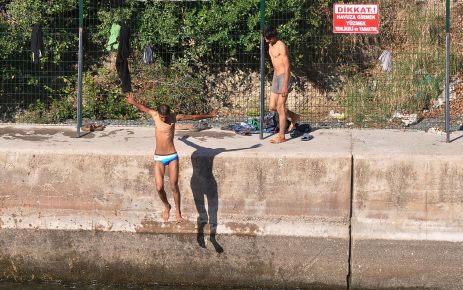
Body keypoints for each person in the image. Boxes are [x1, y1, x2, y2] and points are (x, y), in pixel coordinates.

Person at [126, 92, 218, 223]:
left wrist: (210, 115)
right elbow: (143, 108)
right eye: (162, 117)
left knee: (174, 185)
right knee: (159, 187)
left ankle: (177, 211)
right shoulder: (155, 115)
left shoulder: (174, 117)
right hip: (159, 157)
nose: (164, 119)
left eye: (165, 117)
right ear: (159, 114)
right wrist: (133, 102)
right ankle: (167, 206)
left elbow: (193, 117)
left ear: (169, 114)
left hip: (172, 156)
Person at [263, 25, 300, 144]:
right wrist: (275, 78)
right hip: (276, 76)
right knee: (272, 107)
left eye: (268, 38)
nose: (266, 40)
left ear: (274, 37)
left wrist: (285, 85)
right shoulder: (270, 44)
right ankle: (294, 116)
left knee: (280, 107)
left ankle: (282, 136)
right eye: (265, 38)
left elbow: (288, 66)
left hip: (285, 77)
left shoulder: (281, 46)